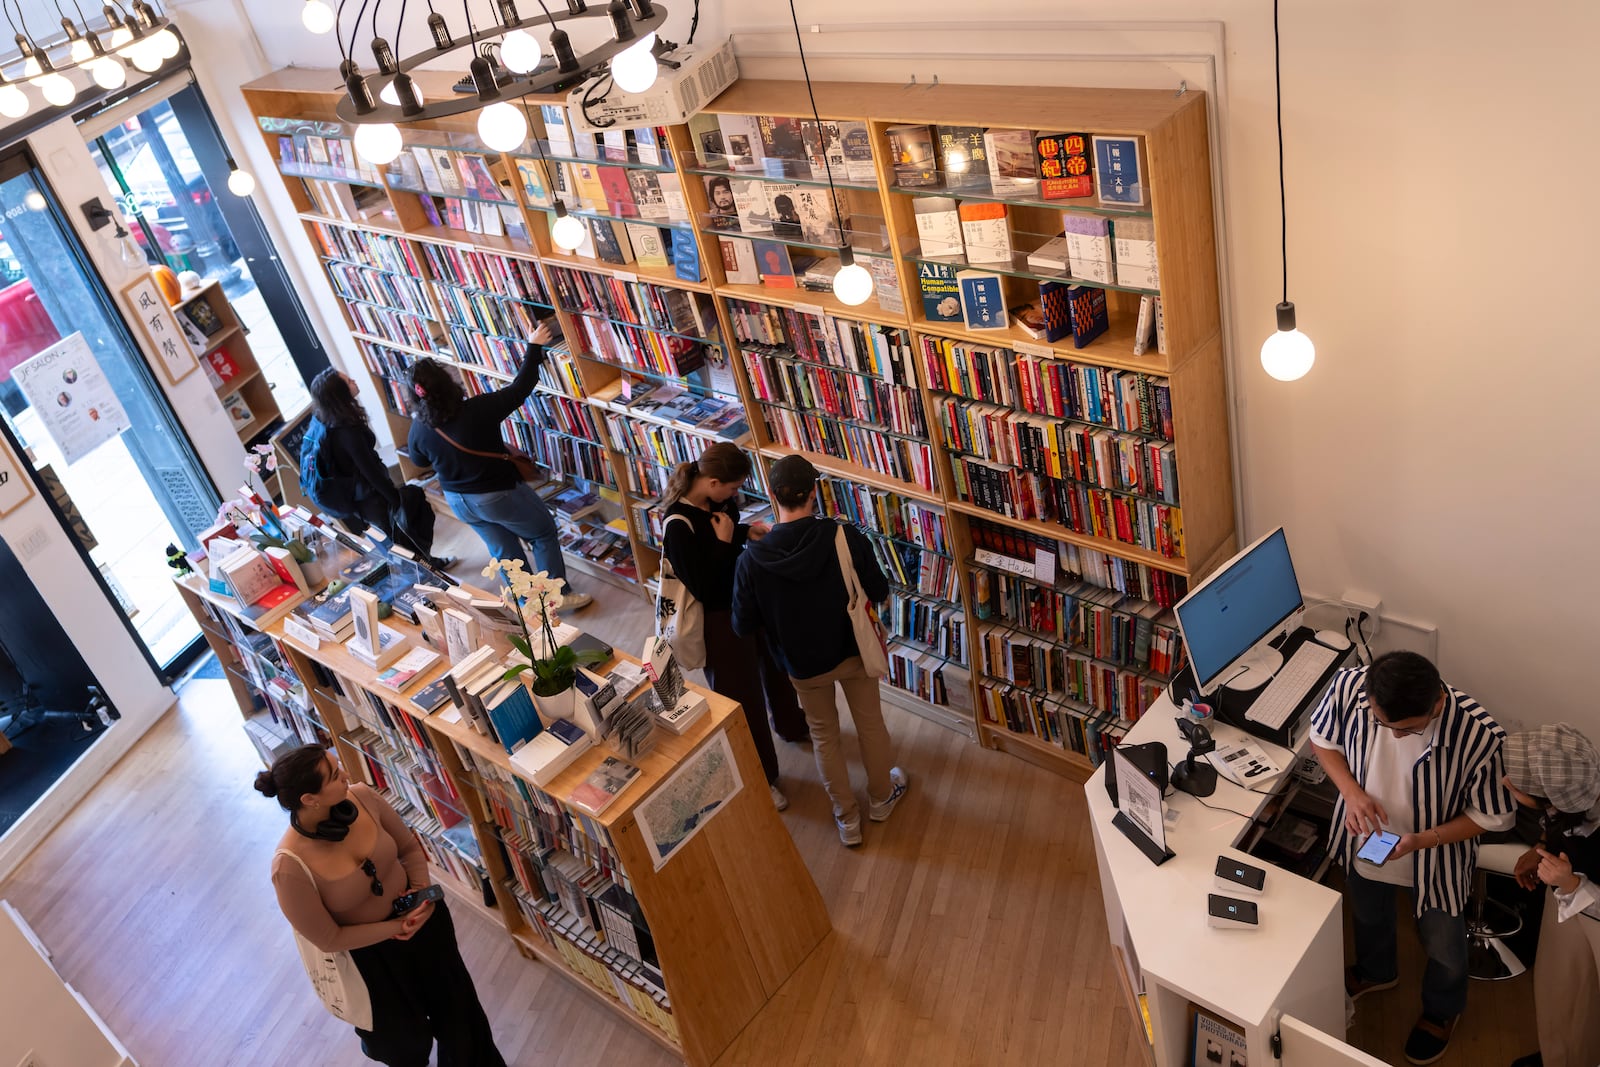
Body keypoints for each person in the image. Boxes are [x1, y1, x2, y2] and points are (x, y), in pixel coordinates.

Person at [1310, 650, 1516, 1066]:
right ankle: (1376, 971)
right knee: (1367, 913)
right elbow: (1322, 739)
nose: (1395, 737)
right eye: (1383, 725)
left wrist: (1423, 841)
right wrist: (1351, 792)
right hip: (1365, 839)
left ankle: (1442, 1009)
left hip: (1436, 853)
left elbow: (1491, 817)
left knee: (1443, 943)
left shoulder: (1481, 735)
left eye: (1407, 730)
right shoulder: (1351, 686)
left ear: (1438, 702)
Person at [257, 745, 505, 1066]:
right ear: (309, 799)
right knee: (402, 1047)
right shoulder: (288, 868)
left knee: (462, 1019)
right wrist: (395, 927)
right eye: (334, 775)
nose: (345, 774)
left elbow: (409, 850)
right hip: (371, 963)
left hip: (425, 924)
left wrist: (420, 895)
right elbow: (328, 938)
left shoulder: (362, 796)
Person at [732, 454, 908, 847]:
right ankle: (881, 799)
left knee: (824, 735)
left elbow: (742, 624)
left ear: (773, 495)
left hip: (802, 664)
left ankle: (847, 819)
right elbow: (878, 591)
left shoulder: (752, 559)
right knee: (870, 725)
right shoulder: (844, 536)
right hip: (853, 650)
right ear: (814, 493)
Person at [660, 443, 807, 811]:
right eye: (731, 487)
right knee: (743, 700)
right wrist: (727, 542)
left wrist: (744, 534)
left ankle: (792, 725)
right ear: (711, 482)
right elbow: (706, 586)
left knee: (776, 670)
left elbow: (725, 533)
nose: (735, 495)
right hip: (718, 620)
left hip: (747, 599)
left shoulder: (720, 503)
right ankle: (763, 777)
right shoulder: (677, 526)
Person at [407, 318, 590, 611]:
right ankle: (557, 595)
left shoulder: (419, 427)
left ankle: (526, 601)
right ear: (448, 384)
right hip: (496, 494)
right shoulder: (477, 410)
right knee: (542, 533)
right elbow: (521, 388)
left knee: (504, 551)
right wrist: (533, 347)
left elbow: (419, 460)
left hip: (458, 500)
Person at [1502, 723, 1600, 1067]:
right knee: (1558, 987)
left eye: (1516, 783)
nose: (1506, 782)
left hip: (1590, 910)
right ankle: (1559, 1057)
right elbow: (1559, 820)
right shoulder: (1579, 788)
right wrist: (1543, 847)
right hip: (1568, 897)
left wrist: (1572, 884)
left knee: (1587, 1001)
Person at [307, 368, 451, 570]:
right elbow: (370, 472)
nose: (354, 380)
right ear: (340, 394)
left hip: (357, 499)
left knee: (398, 537)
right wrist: (395, 499)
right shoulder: (347, 431)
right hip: (370, 497)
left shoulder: (324, 421)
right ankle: (425, 574)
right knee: (401, 533)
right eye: (348, 381)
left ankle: (426, 566)